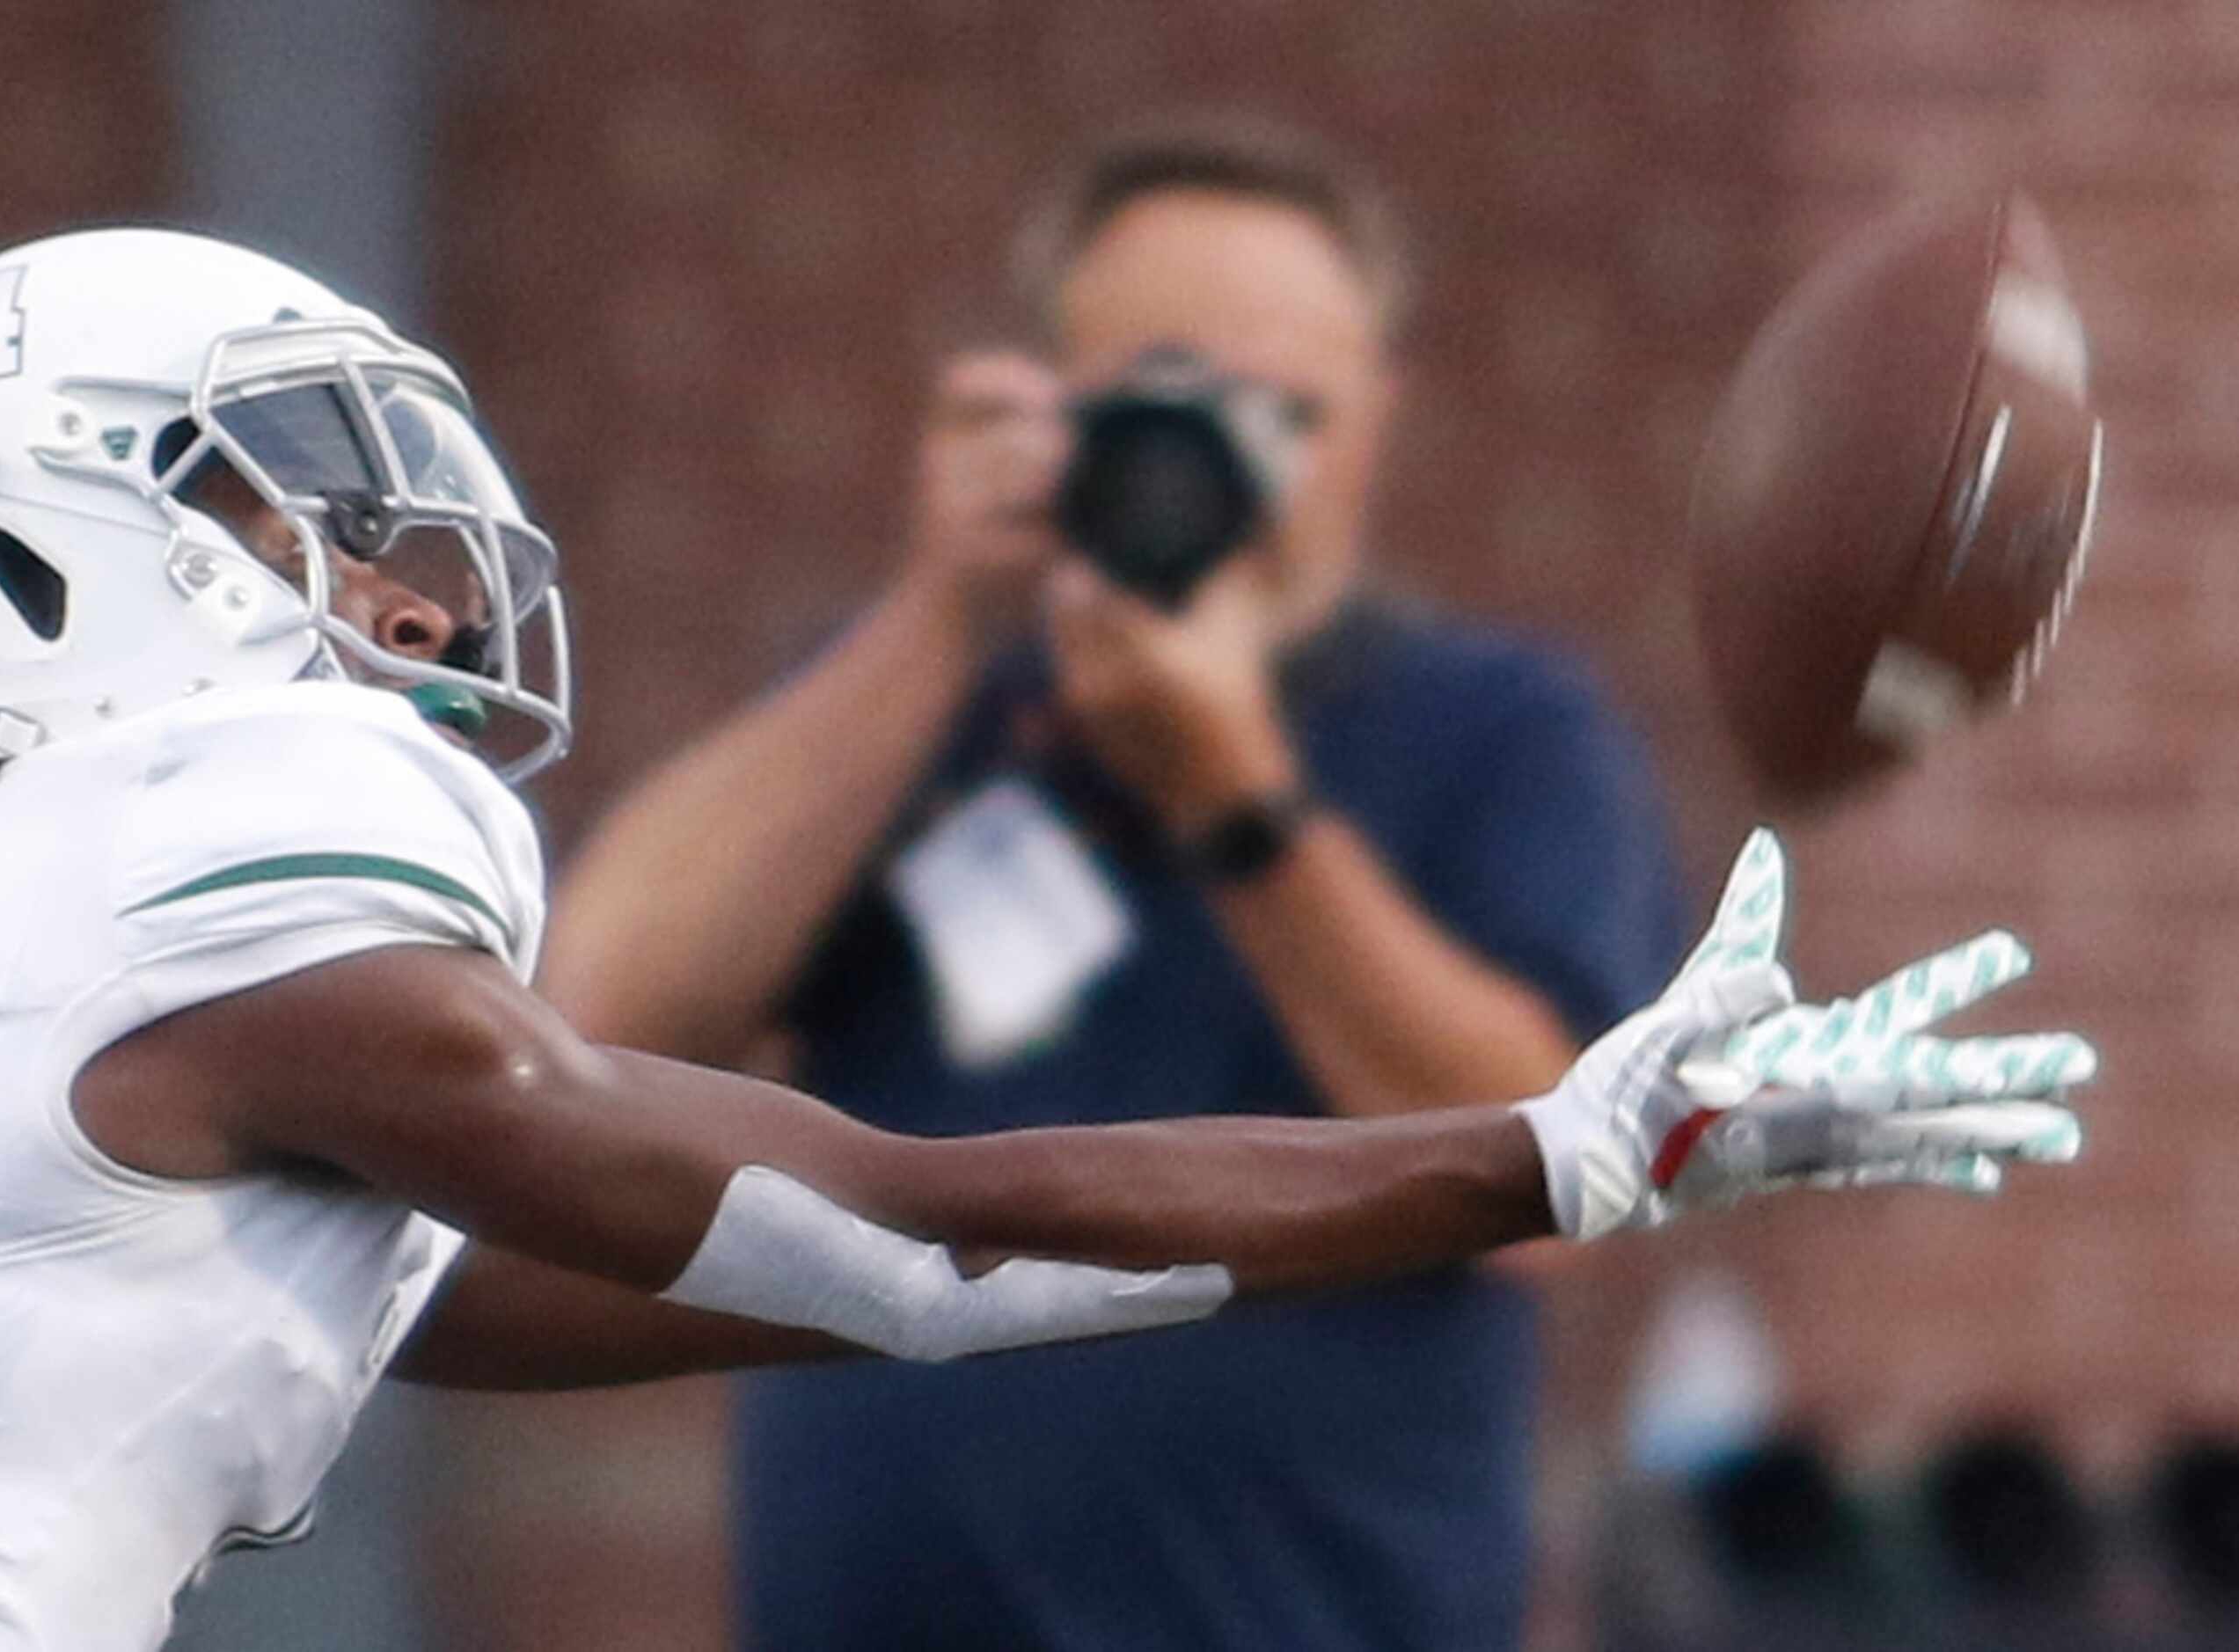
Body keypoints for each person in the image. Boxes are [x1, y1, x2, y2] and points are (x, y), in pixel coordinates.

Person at [0, 225, 2087, 1652]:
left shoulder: (27, 938)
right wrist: (1547, 1149)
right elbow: (896, 1230)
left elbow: (797, 1272)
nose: (398, 565)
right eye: (289, 500)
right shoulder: (201, 822)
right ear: (39, 559)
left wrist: (1519, 1168)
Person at [538, 122, 1819, 1648]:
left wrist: (1239, 802)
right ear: (1046, 396)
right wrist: (940, 606)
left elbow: (1565, 1180)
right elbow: (590, 1016)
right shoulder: (906, 705)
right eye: (1163, 387)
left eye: (1282, 404)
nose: (1220, 449)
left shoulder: (1501, 735)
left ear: (1377, 419)